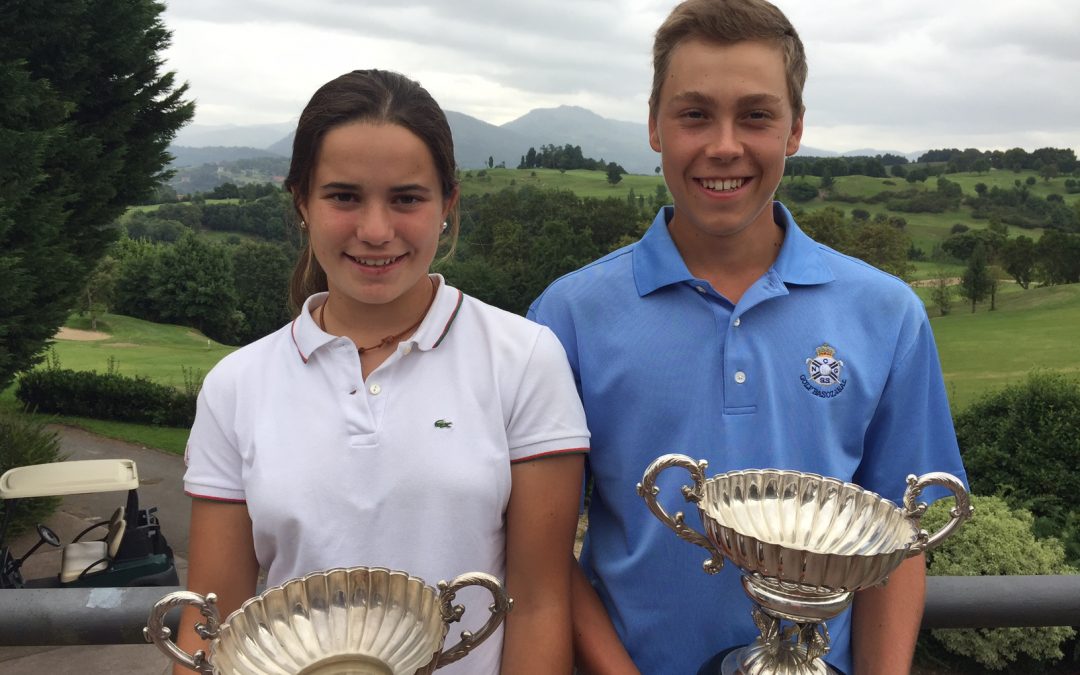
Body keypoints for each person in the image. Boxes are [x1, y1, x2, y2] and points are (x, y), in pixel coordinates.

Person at [528, 2, 968, 674]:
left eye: (757, 115)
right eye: (695, 113)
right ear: (654, 126)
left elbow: (901, 544)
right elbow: (540, 550)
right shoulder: (567, 316)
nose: (724, 145)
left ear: (795, 130)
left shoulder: (888, 314)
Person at [178, 69, 588, 675]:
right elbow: (211, 625)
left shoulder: (524, 358)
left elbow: (538, 605)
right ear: (301, 202)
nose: (375, 231)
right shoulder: (236, 386)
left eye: (406, 198)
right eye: (344, 196)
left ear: (447, 203)